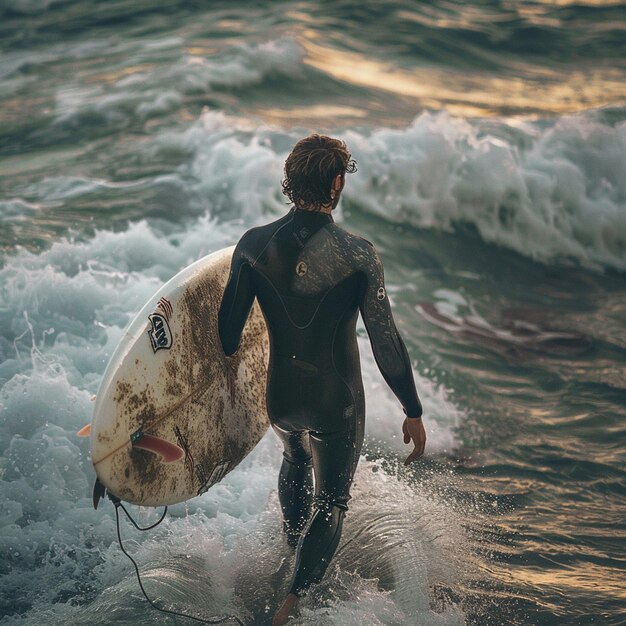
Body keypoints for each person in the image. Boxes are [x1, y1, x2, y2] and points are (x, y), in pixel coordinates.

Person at [218, 134, 426, 625]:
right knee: (332, 500)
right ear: (336, 182)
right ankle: (290, 605)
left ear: (291, 181)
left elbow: (227, 336)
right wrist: (412, 409)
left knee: (294, 457)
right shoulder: (358, 255)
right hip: (338, 401)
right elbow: (386, 343)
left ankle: (293, 552)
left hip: (282, 399)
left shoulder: (252, 245)